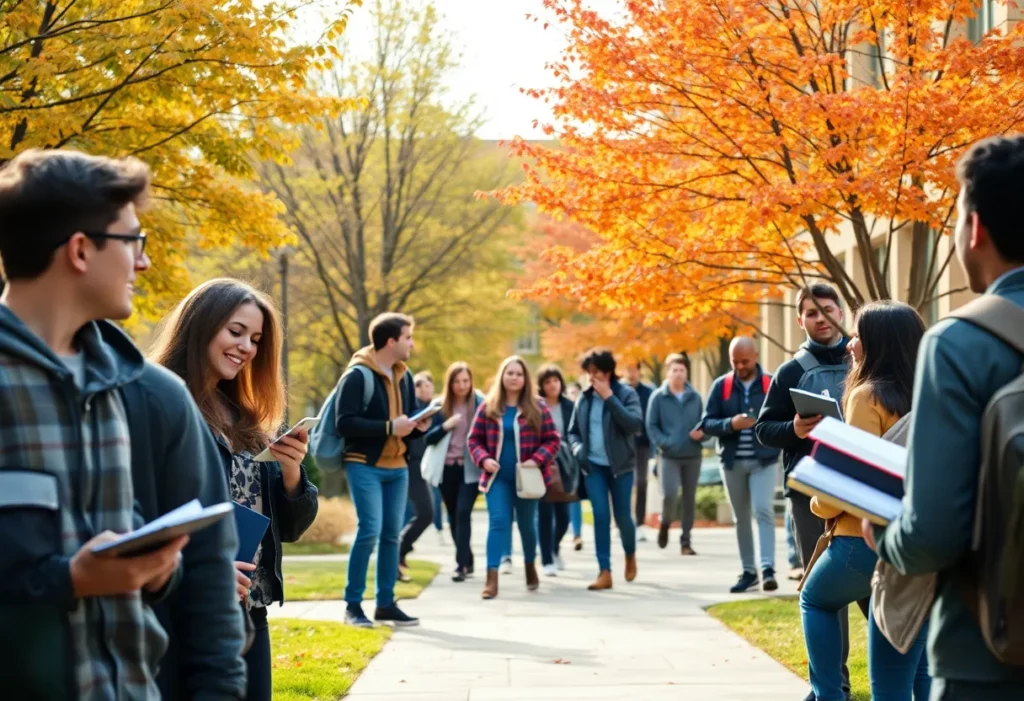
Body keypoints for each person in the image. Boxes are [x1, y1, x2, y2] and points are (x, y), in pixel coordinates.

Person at [0, 149, 246, 699]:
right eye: (133, 241)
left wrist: (156, 572)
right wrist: (68, 582)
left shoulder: (152, 396)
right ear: (81, 250)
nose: (144, 262)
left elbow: (209, 581)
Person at [866, 135, 1024, 700]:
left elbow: (934, 533)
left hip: (989, 651)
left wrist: (884, 534)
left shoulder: (960, 343)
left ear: (974, 229)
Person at [150, 278, 319, 701]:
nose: (246, 347)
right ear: (201, 326)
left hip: (249, 611)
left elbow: (291, 528)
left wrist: (292, 474)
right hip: (185, 605)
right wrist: (202, 568)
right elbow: (141, 514)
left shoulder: (251, 420)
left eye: (256, 339)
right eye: (235, 331)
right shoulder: (161, 405)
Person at [799, 301, 929, 701]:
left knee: (815, 599)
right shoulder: (932, 394)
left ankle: (828, 695)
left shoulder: (866, 395)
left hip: (862, 540)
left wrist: (817, 504)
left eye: (857, 335)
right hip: (917, 543)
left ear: (878, 344)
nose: (850, 344)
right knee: (914, 653)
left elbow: (852, 484)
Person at [755, 282, 855, 701]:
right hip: (809, 491)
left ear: (842, 313)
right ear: (800, 320)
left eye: (828, 311)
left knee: (872, 587)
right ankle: (832, 686)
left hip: (863, 488)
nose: (821, 319)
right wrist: (793, 430)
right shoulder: (790, 371)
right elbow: (763, 429)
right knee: (821, 590)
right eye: (812, 314)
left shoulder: (864, 359)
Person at [336, 312, 432, 628]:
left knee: (391, 535)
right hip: (365, 465)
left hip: (397, 466)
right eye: (408, 337)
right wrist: (392, 426)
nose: (412, 344)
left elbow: (405, 421)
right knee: (370, 531)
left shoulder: (404, 376)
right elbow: (345, 423)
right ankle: (353, 606)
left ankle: (386, 603)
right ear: (391, 341)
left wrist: (418, 425)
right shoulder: (357, 375)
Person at [468, 356, 561, 599]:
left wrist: (537, 460)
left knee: (527, 526)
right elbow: (473, 439)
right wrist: (484, 459)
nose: (514, 377)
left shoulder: (538, 406)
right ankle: (491, 578)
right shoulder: (488, 406)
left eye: (519, 374)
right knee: (498, 522)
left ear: (525, 378)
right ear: (502, 376)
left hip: (527, 479)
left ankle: (530, 566)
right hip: (497, 477)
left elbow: (553, 439)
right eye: (509, 373)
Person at [700, 336, 781, 592]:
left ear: (756, 356)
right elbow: (706, 423)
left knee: (762, 510)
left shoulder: (770, 384)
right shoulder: (721, 386)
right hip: (732, 462)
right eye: (735, 361)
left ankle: (768, 568)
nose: (740, 366)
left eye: (745, 361)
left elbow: (783, 417)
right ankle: (749, 571)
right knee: (741, 518)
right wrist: (730, 424)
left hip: (764, 460)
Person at [568, 348, 644, 590]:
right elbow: (573, 432)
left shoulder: (626, 394)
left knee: (623, 517)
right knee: (600, 516)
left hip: (621, 467)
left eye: (597, 373)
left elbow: (634, 425)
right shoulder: (585, 397)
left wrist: (610, 398)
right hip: (594, 467)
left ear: (609, 372)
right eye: (589, 373)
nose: (592, 378)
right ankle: (604, 571)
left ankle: (630, 554)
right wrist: (578, 450)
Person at [424, 362, 485, 582]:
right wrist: (446, 426)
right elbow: (427, 438)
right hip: (446, 469)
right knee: (453, 515)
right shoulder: (439, 406)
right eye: (457, 381)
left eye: (465, 381)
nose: (461, 386)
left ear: (471, 382)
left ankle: (460, 565)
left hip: (470, 469)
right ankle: (467, 558)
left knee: (462, 512)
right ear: (450, 383)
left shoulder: (480, 404)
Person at [646, 353, 705, 555]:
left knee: (689, 498)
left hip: (692, 454)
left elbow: (704, 423)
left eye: (682, 370)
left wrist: (702, 434)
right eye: (675, 370)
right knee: (669, 494)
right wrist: (665, 442)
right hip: (668, 456)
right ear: (668, 373)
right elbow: (651, 426)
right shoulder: (658, 398)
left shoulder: (695, 397)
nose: (678, 374)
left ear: (686, 373)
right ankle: (665, 522)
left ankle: (685, 542)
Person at [537, 364, 577, 575]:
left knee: (563, 516)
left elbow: (576, 432)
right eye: (548, 382)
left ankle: (554, 547)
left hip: (566, 464)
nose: (552, 385)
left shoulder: (570, 406)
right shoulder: (537, 406)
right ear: (541, 385)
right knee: (544, 513)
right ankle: (545, 559)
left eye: (555, 381)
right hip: (543, 462)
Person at [398, 371, 435, 582]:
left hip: (421, 465)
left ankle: (399, 553)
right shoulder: (413, 409)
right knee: (424, 513)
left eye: (428, 386)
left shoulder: (428, 411)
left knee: (425, 514)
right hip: (409, 464)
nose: (424, 389)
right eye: (419, 386)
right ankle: (399, 553)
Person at [623, 362, 656, 541]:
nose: (631, 373)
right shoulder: (618, 390)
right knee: (623, 483)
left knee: (641, 482)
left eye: (634, 369)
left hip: (642, 444)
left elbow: (651, 418)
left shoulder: (648, 391)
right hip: (622, 444)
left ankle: (639, 523)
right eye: (628, 369)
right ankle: (621, 521)